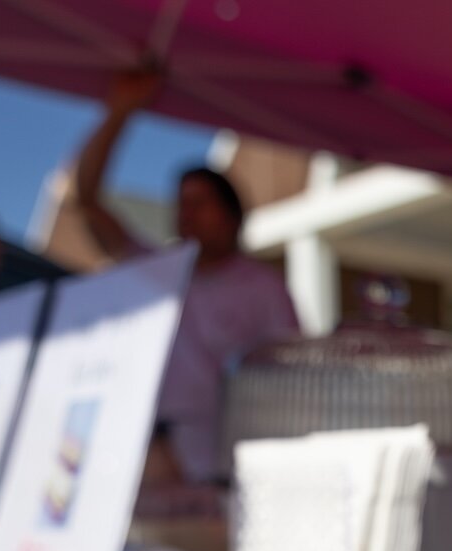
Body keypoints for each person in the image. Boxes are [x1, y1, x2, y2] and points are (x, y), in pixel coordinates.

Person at [76, 68, 299, 483]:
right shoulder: (158, 272)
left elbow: (290, 382)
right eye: (180, 204)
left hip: (224, 469)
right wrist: (119, 112)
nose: (186, 214)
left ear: (234, 216)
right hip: (145, 458)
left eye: (199, 202)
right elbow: (86, 201)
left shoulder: (263, 287)